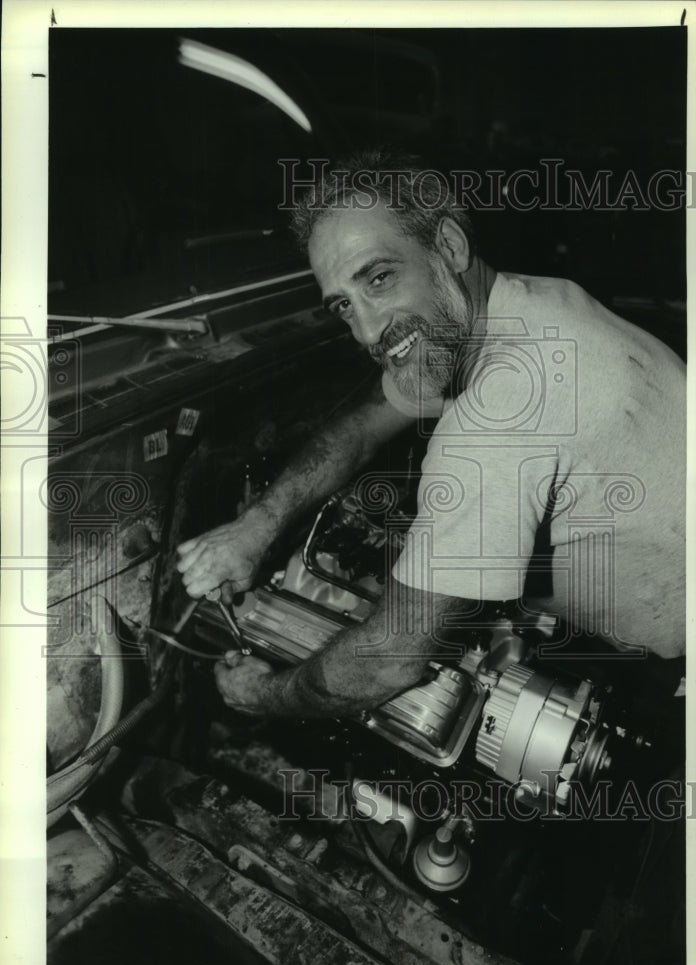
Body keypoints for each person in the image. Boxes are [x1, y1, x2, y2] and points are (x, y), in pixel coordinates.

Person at [176, 150, 686, 716]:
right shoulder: (522, 301)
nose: (367, 329)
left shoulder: (499, 417)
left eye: (380, 277)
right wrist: (258, 525)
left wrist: (260, 695)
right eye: (343, 305)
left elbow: (390, 661)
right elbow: (367, 421)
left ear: (449, 245)